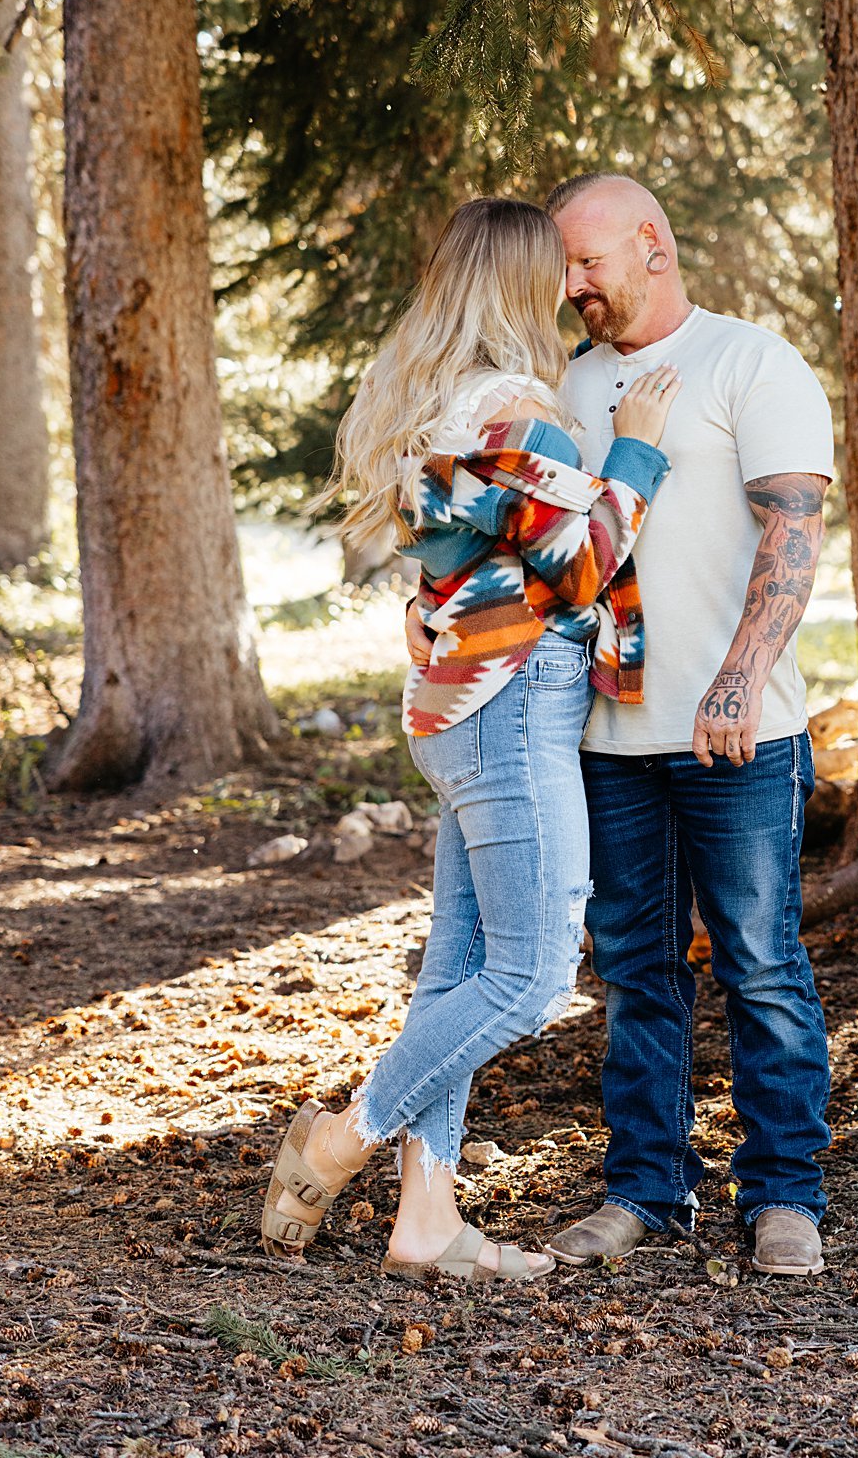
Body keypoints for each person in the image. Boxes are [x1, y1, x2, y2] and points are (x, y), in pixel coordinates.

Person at [262, 197, 679, 1287]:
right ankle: (342, 1138)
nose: (569, 286)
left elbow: (468, 556)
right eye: (555, 267)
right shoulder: (516, 415)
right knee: (536, 973)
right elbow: (582, 565)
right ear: (514, 284)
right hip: (506, 704)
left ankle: (427, 1221)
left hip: (462, 701)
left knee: (458, 969)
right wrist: (634, 451)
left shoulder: (442, 406)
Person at [426, 174, 835, 1276]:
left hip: (737, 731)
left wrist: (742, 676)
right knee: (635, 970)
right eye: (559, 269)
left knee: (759, 960)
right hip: (606, 738)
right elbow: (549, 555)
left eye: (587, 263)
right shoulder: (561, 384)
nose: (571, 287)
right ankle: (646, 1189)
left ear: (650, 243)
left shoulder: (751, 361)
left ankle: (785, 1192)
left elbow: (792, 532)